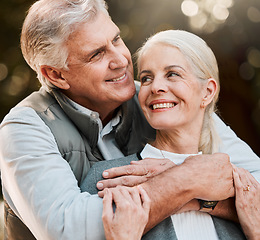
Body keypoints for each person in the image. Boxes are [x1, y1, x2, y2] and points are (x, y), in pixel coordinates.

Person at [0, 0, 259, 239]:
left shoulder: (158, 102)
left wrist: (202, 199)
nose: (121, 59)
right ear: (56, 75)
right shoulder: (24, 128)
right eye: (97, 54)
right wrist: (186, 177)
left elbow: (254, 181)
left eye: (116, 39)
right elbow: (70, 231)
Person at [82, 29, 260, 239]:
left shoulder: (242, 187)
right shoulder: (107, 179)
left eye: (172, 74)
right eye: (146, 78)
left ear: (208, 92)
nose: (155, 87)